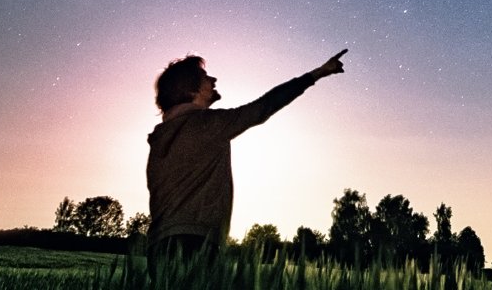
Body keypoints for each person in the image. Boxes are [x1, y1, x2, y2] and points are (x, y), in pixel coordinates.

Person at [145, 49, 347, 266]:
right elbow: (264, 106)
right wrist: (318, 73)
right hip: (194, 244)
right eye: (205, 78)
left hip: (158, 247)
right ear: (191, 88)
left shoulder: (161, 138)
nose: (213, 80)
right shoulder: (206, 125)